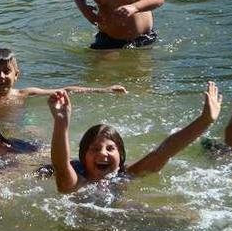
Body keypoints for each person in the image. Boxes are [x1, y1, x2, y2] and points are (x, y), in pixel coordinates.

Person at [46, 82, 221, 193]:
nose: (103, 153)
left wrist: (204, 121)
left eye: (110, 148)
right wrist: (61, 122)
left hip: (120, 220)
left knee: (184, 216)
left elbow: (163, 152)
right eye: (94, 149)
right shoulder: (75, 183)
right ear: (83, 157)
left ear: (121, 156)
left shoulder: (125, 176)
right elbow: (61, 164)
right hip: (85, 230)